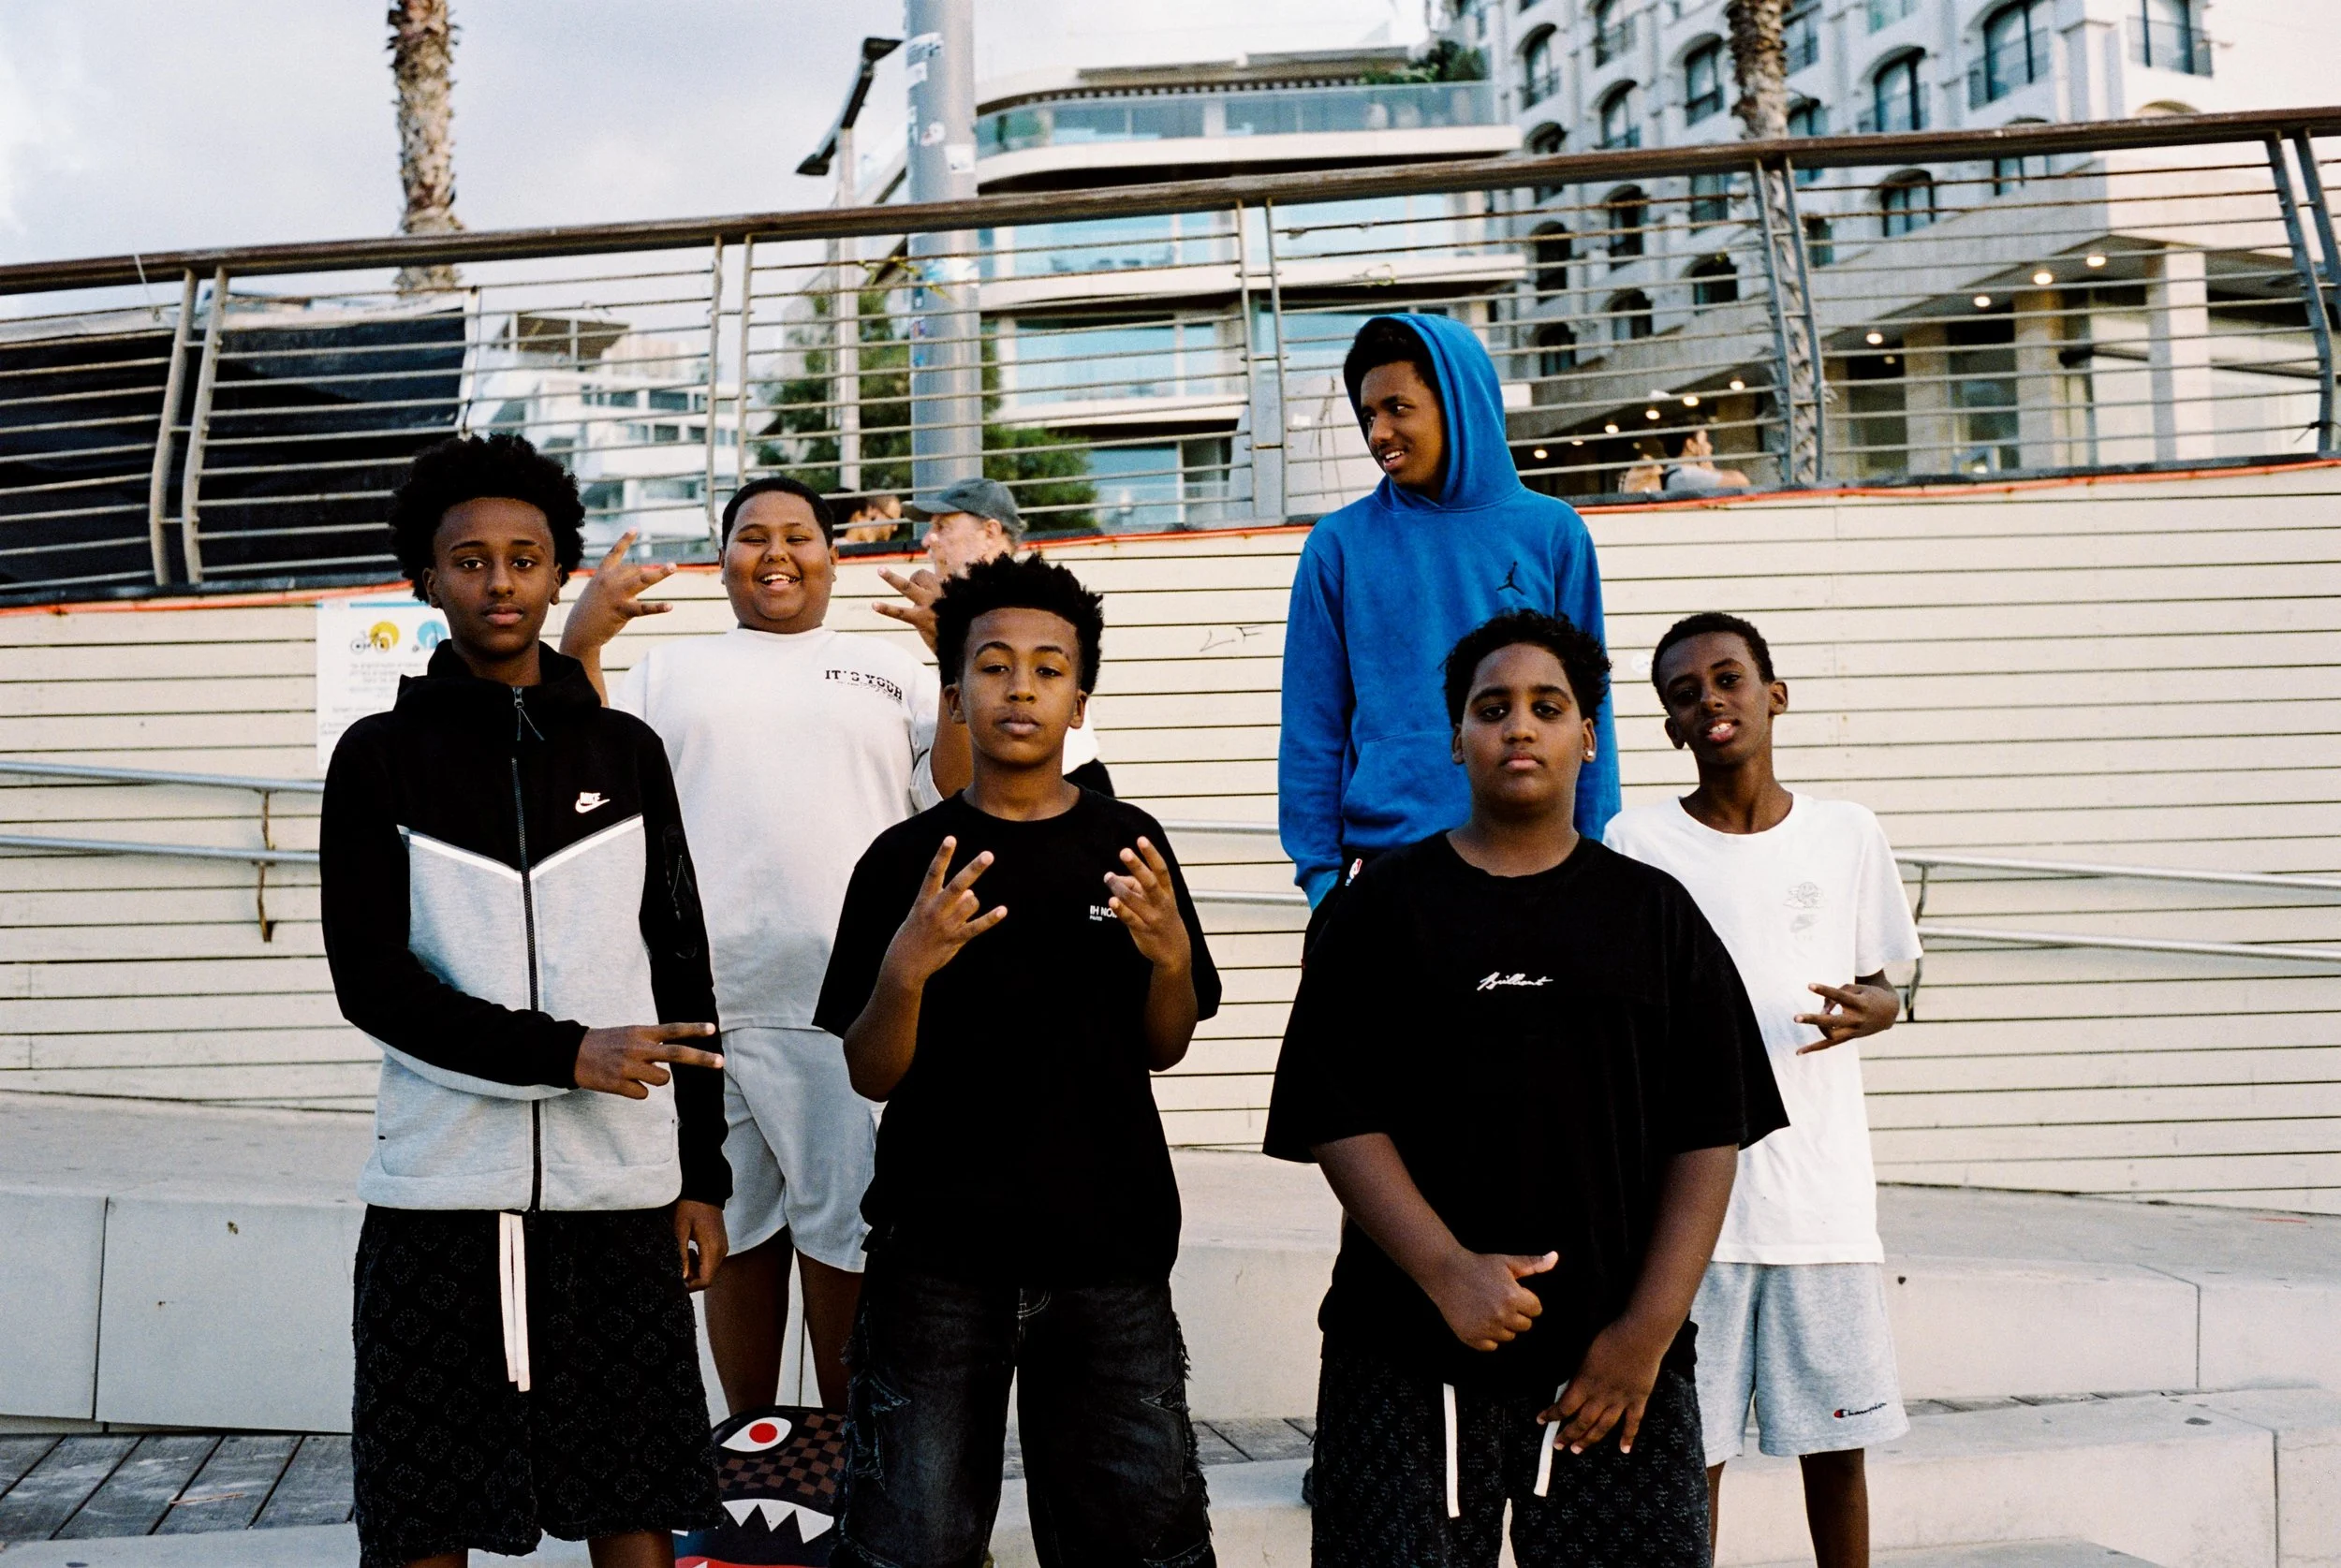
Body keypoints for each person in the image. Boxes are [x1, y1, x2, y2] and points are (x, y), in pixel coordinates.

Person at [1266, 608, 1785, 1568]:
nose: (1518, 726)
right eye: (1490, 706)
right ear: (1455, 737)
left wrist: (1646, 1331)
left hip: (1613, 1369)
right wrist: (1446, 1271)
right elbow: (1335, 1112)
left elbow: (1709, 1131)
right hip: (1404, 1354)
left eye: (1547, 706)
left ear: (1587, 737)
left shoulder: (1652, 914)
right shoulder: (1380, 908)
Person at [322, 433, 730, 1568]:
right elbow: (373, 983)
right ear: (425, 577)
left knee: (634, 1499)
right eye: (469, 560)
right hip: (438, 1194)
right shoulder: (377, 758)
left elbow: (683, 967)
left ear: (561, 574)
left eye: (525, 557)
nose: (499, 581)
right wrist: (565, 1052)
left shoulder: (627, 751)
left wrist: (702, 1175)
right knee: (423, 1511)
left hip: (622, 1191)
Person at [815, 553, 1220, 1568]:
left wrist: (1169, 959)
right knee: (910, 1543)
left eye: (1048, 667)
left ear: (1081, 694)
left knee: (1139, 1543)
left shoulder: (1130, 841)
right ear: (954, 692)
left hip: (1111, 1253)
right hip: (937, 1260)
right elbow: (871, 1071)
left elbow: (1162, 1043)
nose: (1020, 687)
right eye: (993, 666)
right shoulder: (906, 860)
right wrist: (905, 971)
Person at [555, 476, 962, 1414]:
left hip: (850, 1011)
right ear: (723, 555)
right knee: (731, 1230)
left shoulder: (890, 664)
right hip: (704, 1008)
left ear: (831, 552)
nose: (774, 552)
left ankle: (849, 1473)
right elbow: (585, 774)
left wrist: (949, 656)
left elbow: (949, 787)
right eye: (749, 536)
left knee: (847, 1238)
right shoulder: (667, 669)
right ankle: (752, 1453)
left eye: (797, 536)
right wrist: (581, 644)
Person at [1602, 611, 1922, 1568]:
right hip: (1690, 1219)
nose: (1709, 699)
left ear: (1772, 694)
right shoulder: (1637, 839)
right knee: (1685, 1460)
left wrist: (1880, 1009)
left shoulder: (1845, 832)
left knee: (1835, 1454)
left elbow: (1881, 985)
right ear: (1670, 725)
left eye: (1728, 677)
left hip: (1819, 1207)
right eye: (1683, 691)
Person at [1279, 315, 1620, 945]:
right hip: (1387, 868)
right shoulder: (1338, 546)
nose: (1379, 433)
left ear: (1457, 401)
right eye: (1367, 415)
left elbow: (1590, 706)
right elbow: (1313, 726)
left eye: (1398, 408)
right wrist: (1325, 882)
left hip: (1536, 864)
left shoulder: (1553, 533)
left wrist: (1592, 853)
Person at [878, 475, 1114, 794]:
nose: (928, 540)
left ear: (990, 532)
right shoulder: (952, 608)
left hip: (1058, 792)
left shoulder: (1040, 605)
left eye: (942, 527)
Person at [1663, 428, 1753, 494]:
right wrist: (1709, 467)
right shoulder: (1686, 475)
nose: (1710, 446)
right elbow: (1742, 482)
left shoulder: (1677, 473)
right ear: (1690, 445)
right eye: (1705, 441)